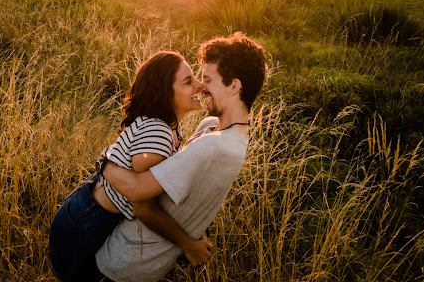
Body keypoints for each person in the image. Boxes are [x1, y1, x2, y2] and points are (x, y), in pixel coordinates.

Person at [96, 32, 267, 282]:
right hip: (128, 254)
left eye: (208, 79)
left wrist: (105, 161)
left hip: (124, 264)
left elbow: (138, 192)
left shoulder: (214, 146)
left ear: (234, 86)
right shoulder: (215, 128)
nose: (201, 86)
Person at [48, 51, 211, 282]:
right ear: (166, 93)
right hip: (86, 223)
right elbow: (144, 208)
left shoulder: (171, 128)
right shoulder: (158, 132)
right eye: (188, 81)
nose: (199, 85)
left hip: (92, 213)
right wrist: (188, 244)